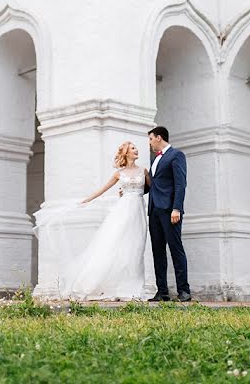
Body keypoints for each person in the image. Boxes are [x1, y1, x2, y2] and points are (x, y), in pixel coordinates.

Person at [58, 141, 150, 301]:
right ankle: (100, 284)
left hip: (138, 211)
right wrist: (85, 200)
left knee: (136, 247)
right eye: (133, 148)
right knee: (114, 245)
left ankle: (133, 288)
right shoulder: (119, 174)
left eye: (136, 148)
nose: (136, 150)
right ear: (126, 153)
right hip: (123, 211)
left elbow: (151, 188)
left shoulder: (144, 170)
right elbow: (102, 189)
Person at [146, 126, 191, 302]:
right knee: (157, 251)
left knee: (175, 249)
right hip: (154, 211)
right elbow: (154, 185)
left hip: (170, 210)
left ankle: (184, 291)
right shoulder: (154, 159)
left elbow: (180, 184)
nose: (149, 143)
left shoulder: (176, 155)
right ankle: (162, 291)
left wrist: (177, 208)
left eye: (150, 139)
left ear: (158, 137)